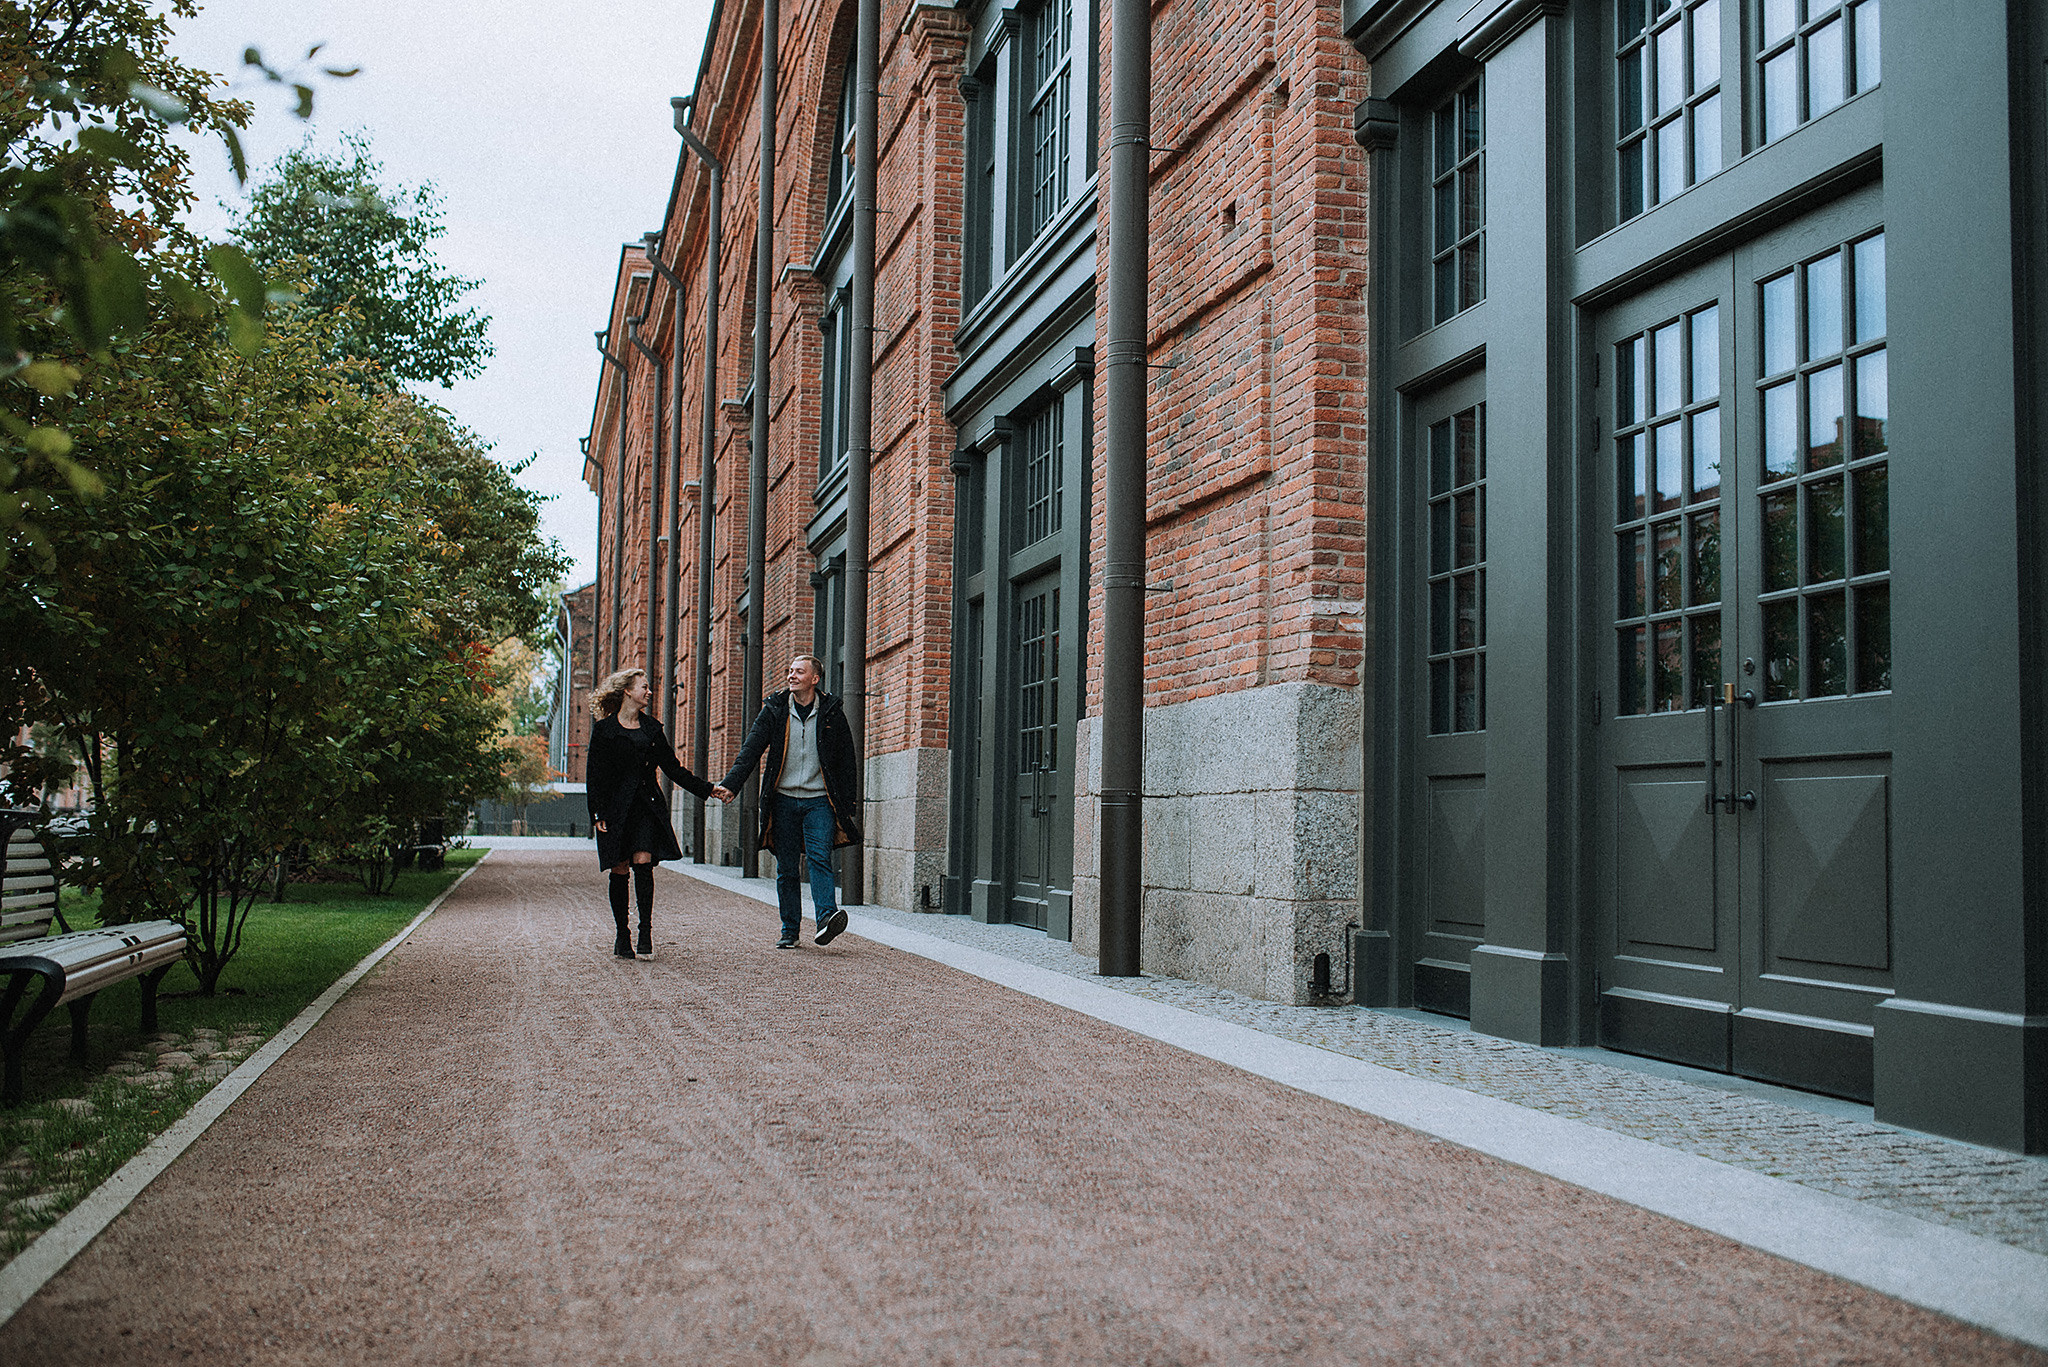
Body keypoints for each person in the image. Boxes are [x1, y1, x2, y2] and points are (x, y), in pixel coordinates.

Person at [712, 654, 862, 948]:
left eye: (799, 672)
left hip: (819, 800)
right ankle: (789, 930)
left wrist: (849, 804)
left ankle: (825, 920)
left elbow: (847, 761)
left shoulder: (831, 711)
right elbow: (751, 749)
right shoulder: (775, 709)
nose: (791, 675)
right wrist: (731, 785)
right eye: (790, 670)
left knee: (820, 858)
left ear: (814, 679)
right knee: (787, 867)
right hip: (782, 801)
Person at [586, 668, 715, 960]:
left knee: (643, 861)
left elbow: (674, 769)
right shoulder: (604, 730)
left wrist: (708, 790)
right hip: (615, 811)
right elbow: (595, 775)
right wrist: (597, 813)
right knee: (619, 868)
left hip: (645, 806)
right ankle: (623, 933)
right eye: (644, 687)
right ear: (627, 691)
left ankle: (646, 929)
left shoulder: (652, 730)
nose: (649, 691)